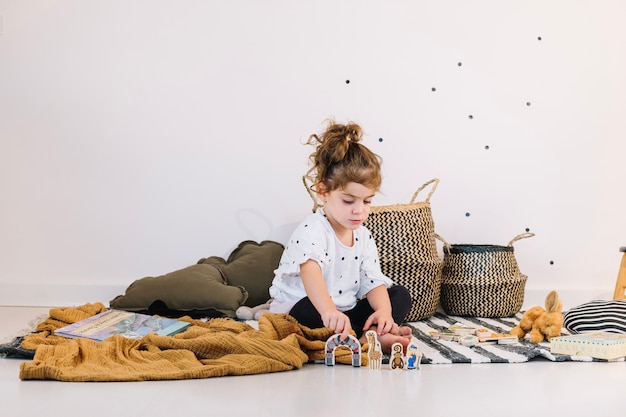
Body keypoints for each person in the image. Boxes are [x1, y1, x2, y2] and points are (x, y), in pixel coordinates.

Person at [269, 119, 413, 354]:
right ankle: (366, 335)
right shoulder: (314, 229)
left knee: (399, 296)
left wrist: (384, 312)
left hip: (344, 311)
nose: (359, 210)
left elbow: (372, 279)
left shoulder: (364, 236)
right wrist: (328, 311)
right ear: (323, 192)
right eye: (349, 201)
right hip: (311, 307)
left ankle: (371, 332)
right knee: (305, 312)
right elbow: (310, 271)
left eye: (367, 201)